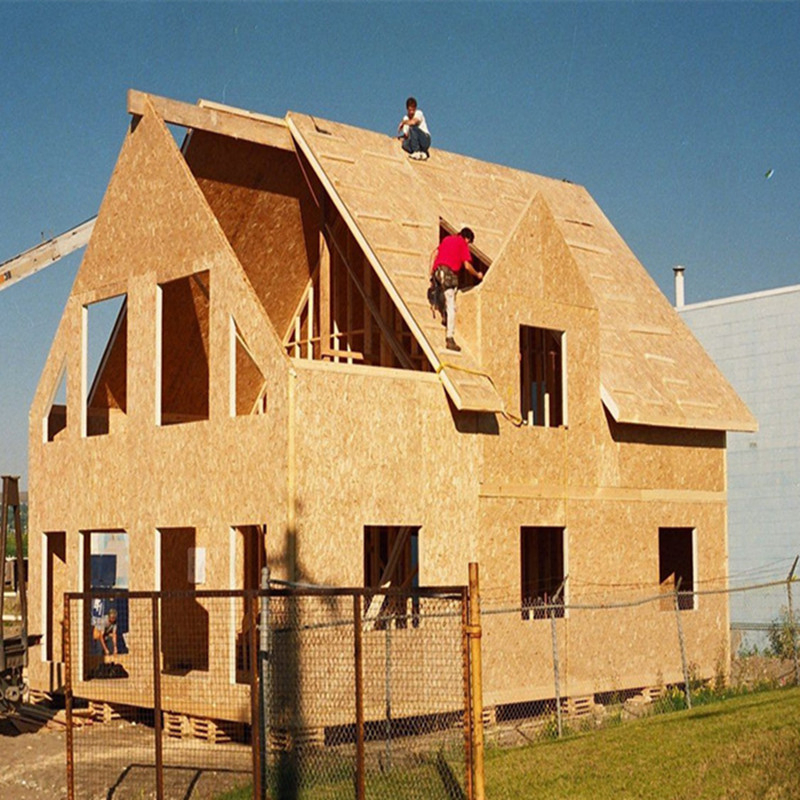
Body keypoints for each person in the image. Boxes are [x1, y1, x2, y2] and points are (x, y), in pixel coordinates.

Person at [429, 228, 483, 351]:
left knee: (442, 293)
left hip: (438, 272)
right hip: (448, 273)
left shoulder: (447, 239)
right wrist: (477, 275)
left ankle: (443, 314)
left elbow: (434, 254)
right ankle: (450, 338)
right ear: (467, 239)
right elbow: (467, 266)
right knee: (452, 306)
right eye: (469, 243)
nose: (468, 245)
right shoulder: (462, 243)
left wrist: (431, 275)